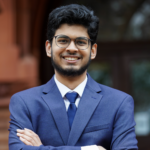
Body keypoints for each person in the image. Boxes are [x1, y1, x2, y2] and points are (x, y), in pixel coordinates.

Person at [9, 4, 138, 150]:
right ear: (49, 48)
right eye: (63, 41)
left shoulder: (119, 103)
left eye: (81, 42)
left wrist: (41, 148)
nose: (71, 48)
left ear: (93, 50)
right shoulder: (24, 102)